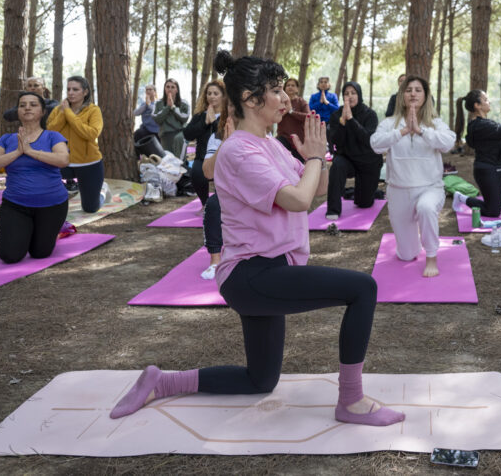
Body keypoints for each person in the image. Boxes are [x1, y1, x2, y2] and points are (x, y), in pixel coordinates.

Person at [110, 50, 405, 428]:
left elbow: (318, 190)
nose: (285, 99)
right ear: (250, 100)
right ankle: (351, 401)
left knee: (260, 380)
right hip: (253, 274)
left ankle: (162, 381)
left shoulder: (272, 145)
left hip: (271, 270)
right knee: (362, 289)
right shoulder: (237, 151)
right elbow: (298, 199)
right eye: (276, 91)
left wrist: (319, 156)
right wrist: (313, 160)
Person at [371, 76, 455, 278]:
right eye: (409, 90)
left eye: (418, 90)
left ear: (425, 96)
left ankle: (432, 257)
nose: (413, 93)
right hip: (399, 191)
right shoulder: (390, 123)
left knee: (426, 209)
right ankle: (414, 239)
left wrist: (420, 130)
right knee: (406, 255)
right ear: (402, 95)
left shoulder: (435, 123)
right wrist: (402, 131)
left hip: (430, 188)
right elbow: (376, 144)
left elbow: (448, 143)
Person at [0, 91, 70, 264]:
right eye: (22, 105)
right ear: (18, 112)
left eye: (33, 104)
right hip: (16, 205)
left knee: (40, 253)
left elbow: (63, 160)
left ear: (43, 112)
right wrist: (17, 152)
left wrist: (30, 151)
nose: (27, 108)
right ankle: (11, 236)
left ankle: (49, 232)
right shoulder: (7, 140)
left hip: (52, 205)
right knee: (9, 256)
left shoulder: (53, 136)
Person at [46, 76, 105, 214]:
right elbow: (50, 132)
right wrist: (63, 112)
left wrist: (69, 113)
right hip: (62, 162)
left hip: (89, 163)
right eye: (68, 89)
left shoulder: (93, 110)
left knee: (90, 208)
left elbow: (91, 134)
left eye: (75, 89)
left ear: (85, 92)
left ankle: (101, 192)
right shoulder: (58, 110)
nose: (71, 92)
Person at [326, 81, 383, 220]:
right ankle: (333, 209)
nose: (350, 96)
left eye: (353, 93)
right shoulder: (336, 115)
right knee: (337, 165)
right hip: (347, 159)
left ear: (359, 95)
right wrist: (342, 123)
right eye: (346, 94)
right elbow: (334, 142)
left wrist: (351, 119)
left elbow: (367, 139)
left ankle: (366, 191)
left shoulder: (370, 114)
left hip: (368, 161)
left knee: (364, 203)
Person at [199, 108, 235, 280]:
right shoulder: (216, 138)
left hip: (255, 192)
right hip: (229, 192)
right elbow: (207, 172)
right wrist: (225, 144)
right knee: (213, 205)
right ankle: (215, 260)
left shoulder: (263, 138)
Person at [183, 80, 225, 205]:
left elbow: (224, 135)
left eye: (216, 93)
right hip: (202, 157)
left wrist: (214, 121)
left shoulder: (229, 115)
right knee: (196, 173)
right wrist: (205, 122)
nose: (212, 96)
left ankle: (221, 204)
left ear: (223, 96)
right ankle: (205, 204)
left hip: (223, 157)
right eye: (209, 93)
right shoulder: (200, 115)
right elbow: (187, 134)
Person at [153, 78, 190, 158]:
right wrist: (167, 107)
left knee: (179, 161)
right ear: (164, 89)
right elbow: (157, 119)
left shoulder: (184, 103)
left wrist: (173, 107)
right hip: (165, 136)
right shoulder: (158, 103)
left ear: (177, 90)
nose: (170, 89)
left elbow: (185, 118)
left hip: (180, 135)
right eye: (167, 87)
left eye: (173, 87)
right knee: (168, 161)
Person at [276, 77, 308, 162]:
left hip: (298, 139)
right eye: (288, 85)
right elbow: (273, 116)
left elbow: (307, 116)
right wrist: (285, 111)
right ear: (284, 88)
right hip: (283, 137)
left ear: (297, 89)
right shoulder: (279, 102)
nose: (290, 87)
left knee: (298, 166)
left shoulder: (301, 102)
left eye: (293, 85)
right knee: (279, 161)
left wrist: (291, 111)